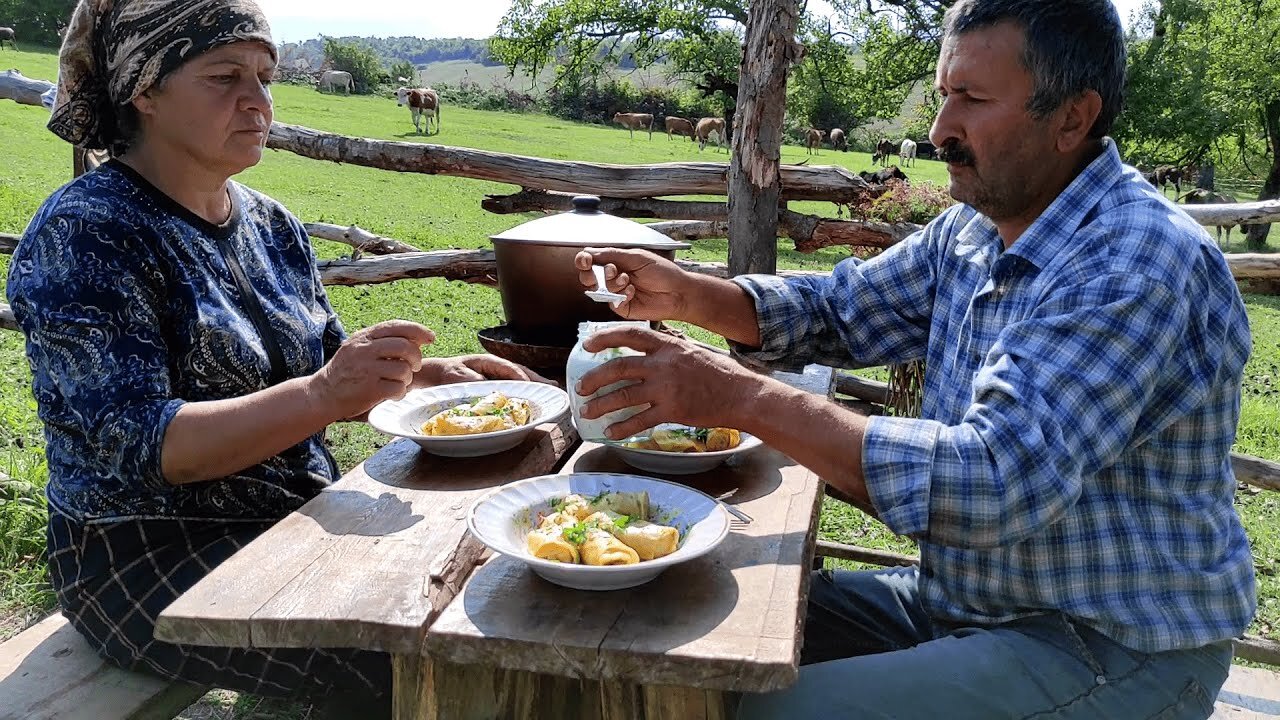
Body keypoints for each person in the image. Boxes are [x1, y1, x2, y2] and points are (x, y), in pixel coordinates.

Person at [572, 1, 1255, 717]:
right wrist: (693, 297)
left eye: (972, 100)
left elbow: (994, 483)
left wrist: (738, 397)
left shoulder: (1131, 261)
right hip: (967, 604)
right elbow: (843, 310)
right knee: (696, 629)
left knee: (773, 711)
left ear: (1072, 119)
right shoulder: (976, 228)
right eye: (943, 95)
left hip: (1109, 645)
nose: (938, 131)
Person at [6, 0, 543, 715]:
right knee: (422, 658)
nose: (257, 101)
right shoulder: (88, 233)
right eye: (224, 76)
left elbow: (328, 363)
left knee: (494, 584)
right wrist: (325, 393)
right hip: (143, 555)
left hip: (290, 515)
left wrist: (430, 380)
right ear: (144, 90)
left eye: (264, 75)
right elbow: (149, 448)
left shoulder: (270, 224)